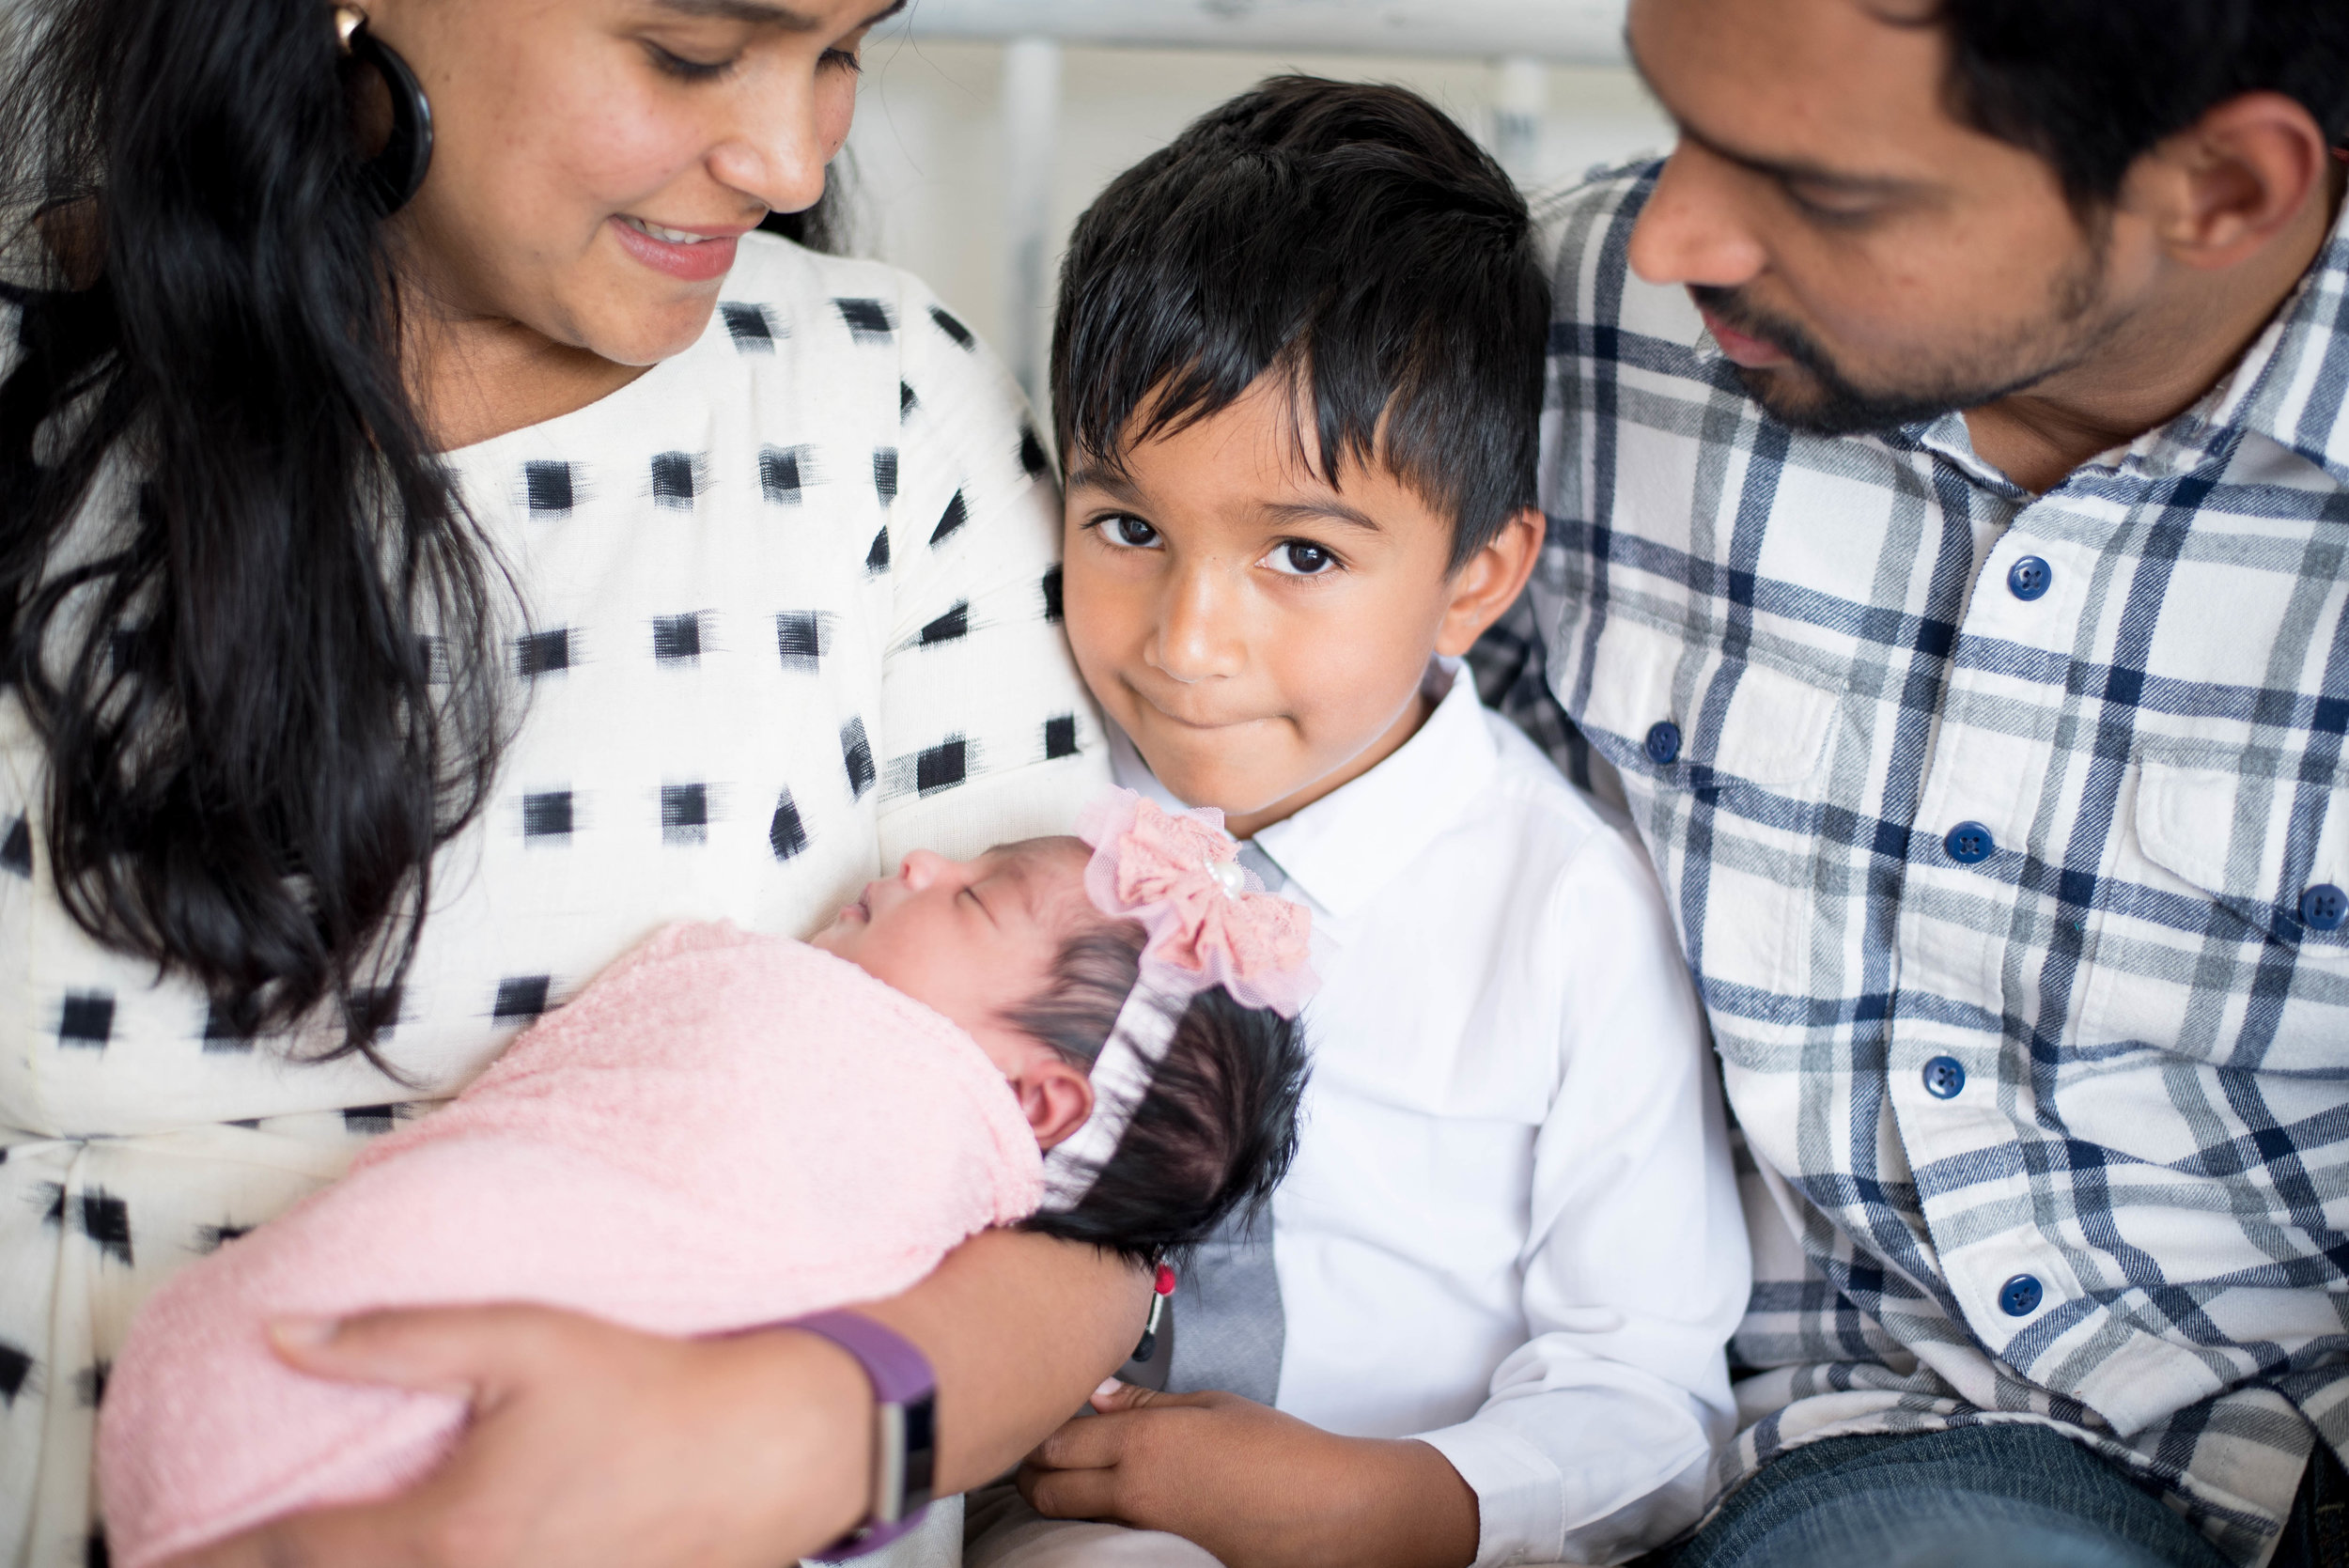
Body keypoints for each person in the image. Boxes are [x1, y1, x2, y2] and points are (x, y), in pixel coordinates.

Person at [0, 2, 1147, 1565]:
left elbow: (1094, 1211)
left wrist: (786, 1436)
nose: (794, 156)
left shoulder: (883, 410)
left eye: (841, 51)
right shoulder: (39, 403)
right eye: (690, 52)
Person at [1469, 1, 2349, 1565]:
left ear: (2219, 192)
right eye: (1677, 118)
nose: (1673, 236)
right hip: (1887, 1451)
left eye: (1827, 189)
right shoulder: (1568, 338)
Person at [974, 78, 1750, 1568]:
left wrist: (1382, 1501)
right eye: (1126, 527)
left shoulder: (1567, 903)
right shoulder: (1019, 813)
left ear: (1477, 575)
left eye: (1303, 554)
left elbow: (1646, 1387)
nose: (1188, 640)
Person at [98, 808, 1315, 1568]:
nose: (923, 855)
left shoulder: (908, 1124)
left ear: (1037, 1105)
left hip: (409, 1434)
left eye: (976, 893)